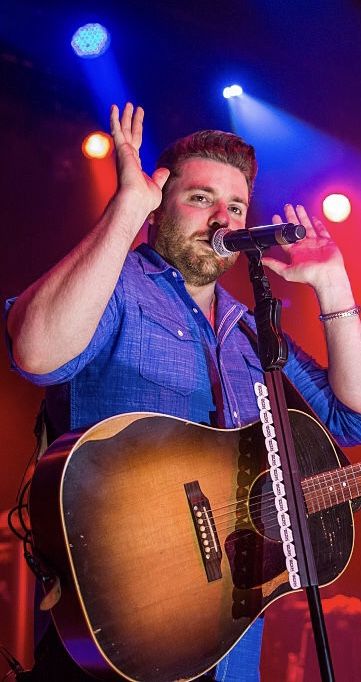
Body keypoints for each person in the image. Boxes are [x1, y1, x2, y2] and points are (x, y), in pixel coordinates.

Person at [5, 102, 361, 681]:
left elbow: (352, 420)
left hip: (232, 644)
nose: (224, 218)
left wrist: (332, 281)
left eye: (237, 206)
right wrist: (125, 211)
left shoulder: (251, 328)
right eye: (201, 199)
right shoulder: (114, 286)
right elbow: (37, 354)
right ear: (159, 204)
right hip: (120, 633)